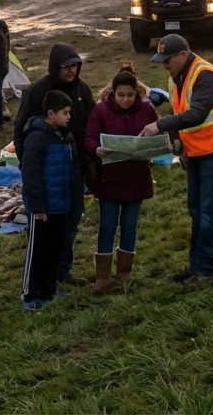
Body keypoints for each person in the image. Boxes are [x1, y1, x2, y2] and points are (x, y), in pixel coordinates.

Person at [140, 35, 213, 284]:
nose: (164, 65)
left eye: (168, 60)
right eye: (161, 60)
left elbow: (196, 114)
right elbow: (180, 112)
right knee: (196, 210)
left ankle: (204, 270)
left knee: (208, 212)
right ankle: (196, 265)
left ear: (184, 54)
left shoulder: (205, 75)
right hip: (196, 151)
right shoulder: (176, 77)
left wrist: (159, 125)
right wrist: (179, 147)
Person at [13, 43, 95, 284]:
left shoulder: (83, 90)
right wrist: (27, 163)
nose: (72, 71)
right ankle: (40, 276)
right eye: (66, 66)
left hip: (75, 168)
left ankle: (63, 271)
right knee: (43, 225)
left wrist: (89, 162)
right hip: (46, 171)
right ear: (54, 67)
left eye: (75, 66)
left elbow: (90, 125)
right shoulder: (38, 91)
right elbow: (21, 130)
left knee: (71, 220)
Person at [84, 65, 159, 293]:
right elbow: (88, 138)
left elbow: (158, 131)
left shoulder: (147, 110)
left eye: (130, 95)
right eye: (120, 95)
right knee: (107, 225)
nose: (125, 100)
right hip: (109, 178)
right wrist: (96, 149)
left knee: (130, 225)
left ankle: (125, 273)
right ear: (112, 93)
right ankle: (103, 277)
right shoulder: (100, 111)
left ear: (137, 92)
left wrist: (153, 146)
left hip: (137, 177)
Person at [19, 91, 81, 310]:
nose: (68, 117)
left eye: (69, 112)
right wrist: (37, 206)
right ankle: (30, 294)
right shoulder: (36, 138)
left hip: (61, 206)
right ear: (50, 113)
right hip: (43, 207)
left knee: (55, 250)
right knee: (38, 251)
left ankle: (49, 291)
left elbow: (72, 171)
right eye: (65, 113)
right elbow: (30, 174)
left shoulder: (66, 137)